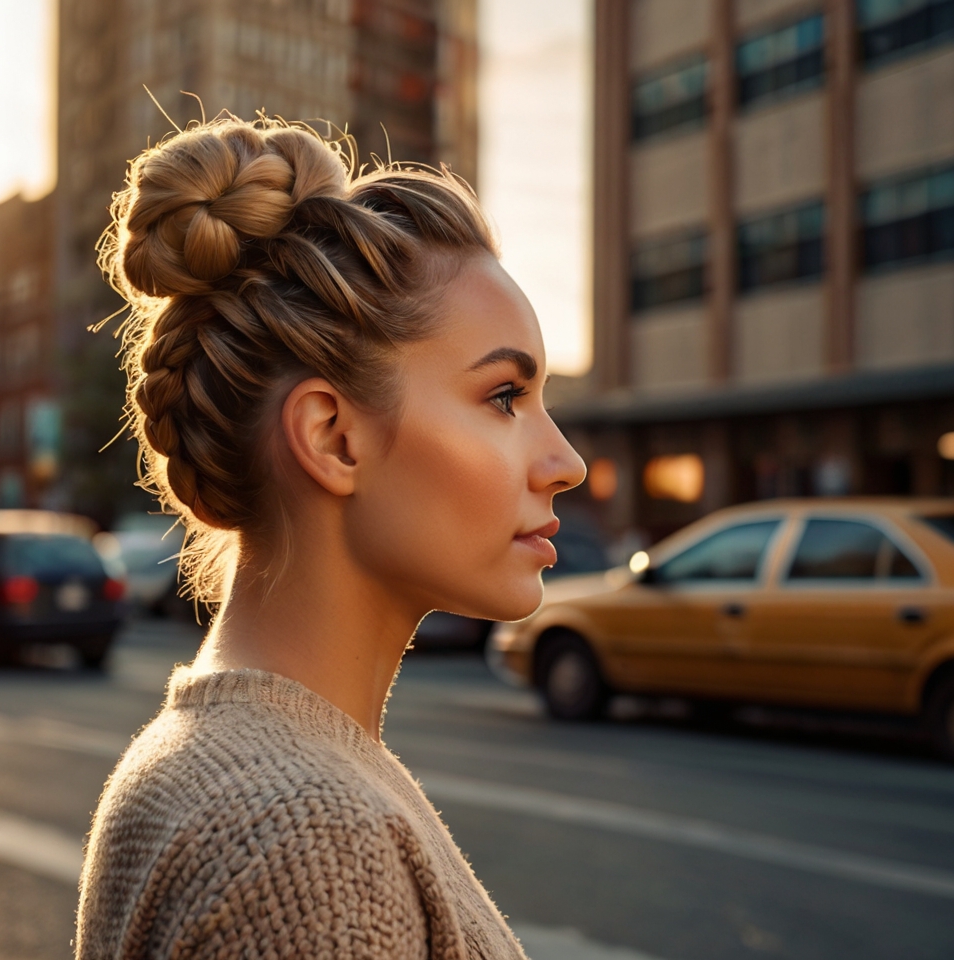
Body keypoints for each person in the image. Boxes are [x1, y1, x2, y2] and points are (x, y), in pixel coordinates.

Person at [76, 115, 586, 959]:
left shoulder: (222, 761)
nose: (563, 461)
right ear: (332, 437)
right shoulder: (310, 838)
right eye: (505, 398)